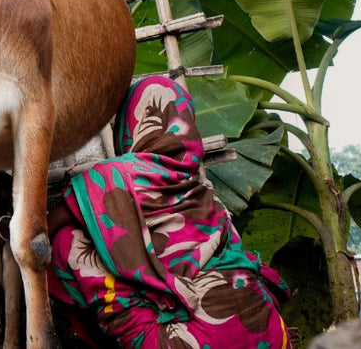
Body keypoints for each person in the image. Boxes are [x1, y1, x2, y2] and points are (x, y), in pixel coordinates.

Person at [47, 75, 291, 348]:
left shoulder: (114, 177)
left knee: (68, 241)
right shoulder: (206, 192)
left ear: (133, 125)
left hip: (192, 341)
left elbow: (53, 222)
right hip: (267, 330)